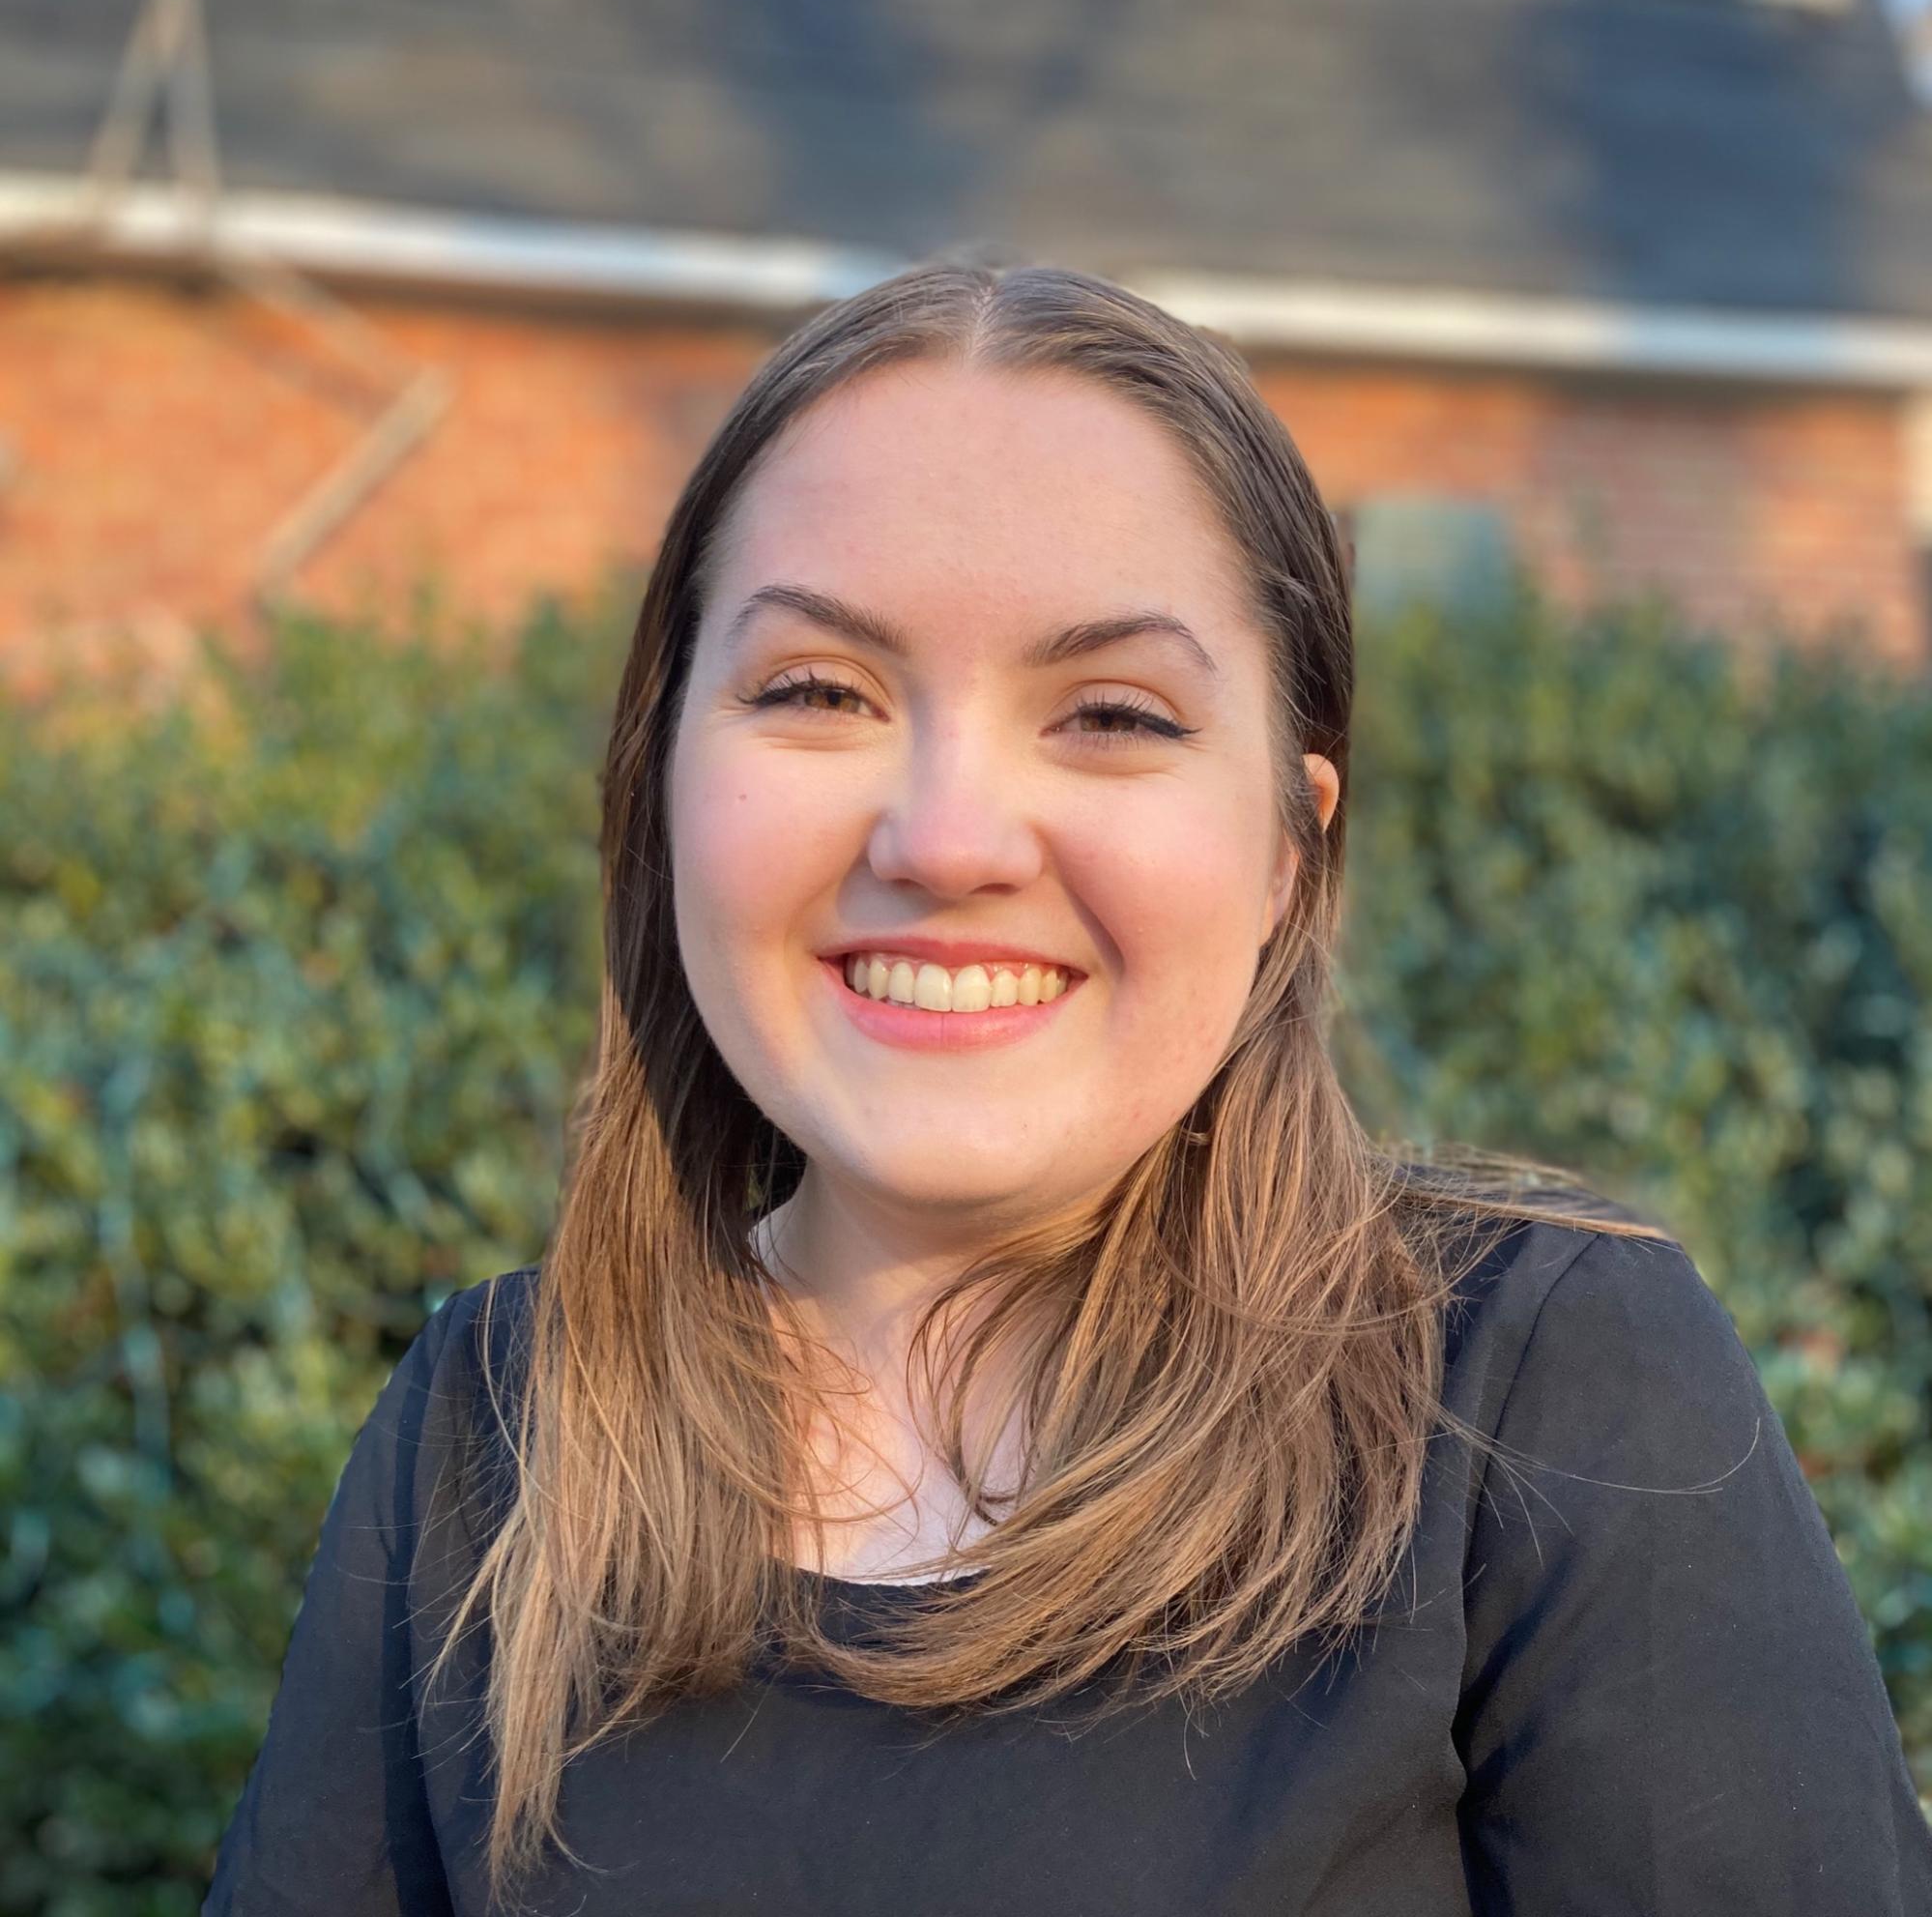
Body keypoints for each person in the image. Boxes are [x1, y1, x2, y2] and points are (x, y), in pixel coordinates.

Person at [204, 262, 1932, 1916]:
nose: (947, 839)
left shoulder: (1538, 1394)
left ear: (1287, 852)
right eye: (818, 690)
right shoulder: (491, 1443)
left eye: (1111, 714)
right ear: (662, 796)